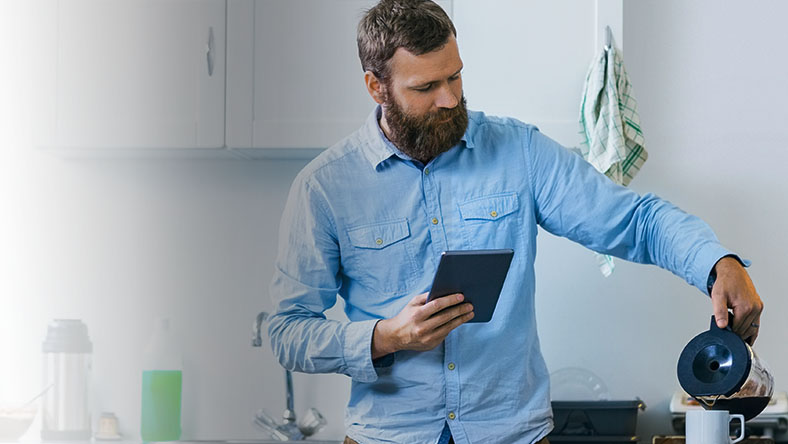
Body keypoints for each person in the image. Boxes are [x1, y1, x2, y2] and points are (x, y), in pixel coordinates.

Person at [267, 1, 763, 443]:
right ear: (377, 87)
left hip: (512, 433)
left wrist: (717, 263)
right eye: (426, 86)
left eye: (455, 76)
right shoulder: (326, 187)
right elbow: (287, 331)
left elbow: (636, 221)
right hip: (387, 436)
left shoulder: (519, 152)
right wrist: (387, 337)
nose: (449, 99)